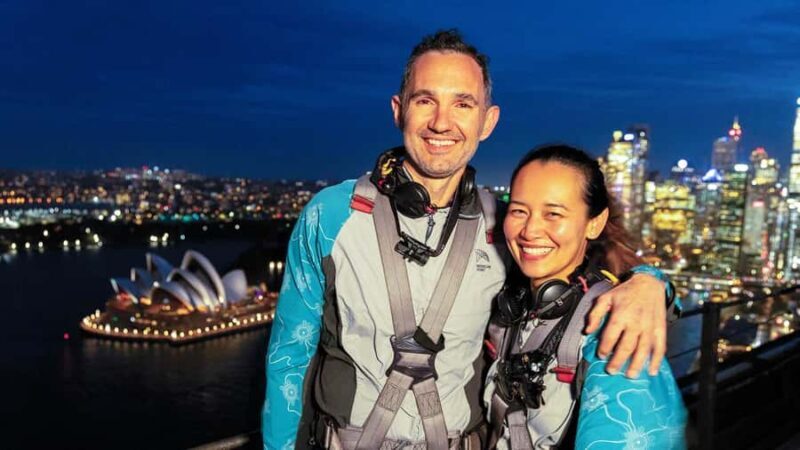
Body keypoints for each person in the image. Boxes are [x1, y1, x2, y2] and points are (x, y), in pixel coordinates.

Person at [262, 30, 673, 450]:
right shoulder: (330, 216)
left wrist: (650, 282)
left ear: (487, 121)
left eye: (462, 103)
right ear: (398, 110)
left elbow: (584, 267)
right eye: (425, 100)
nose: (442, 122)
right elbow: (287, 361)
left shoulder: (510, 224)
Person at [485, 145, 686, 449]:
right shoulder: (516, 302)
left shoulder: (613, 326)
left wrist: (653, 282)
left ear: (595, 223)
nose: (531, 229)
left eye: (554, 213)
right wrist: (652, 278)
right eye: (518, 210)